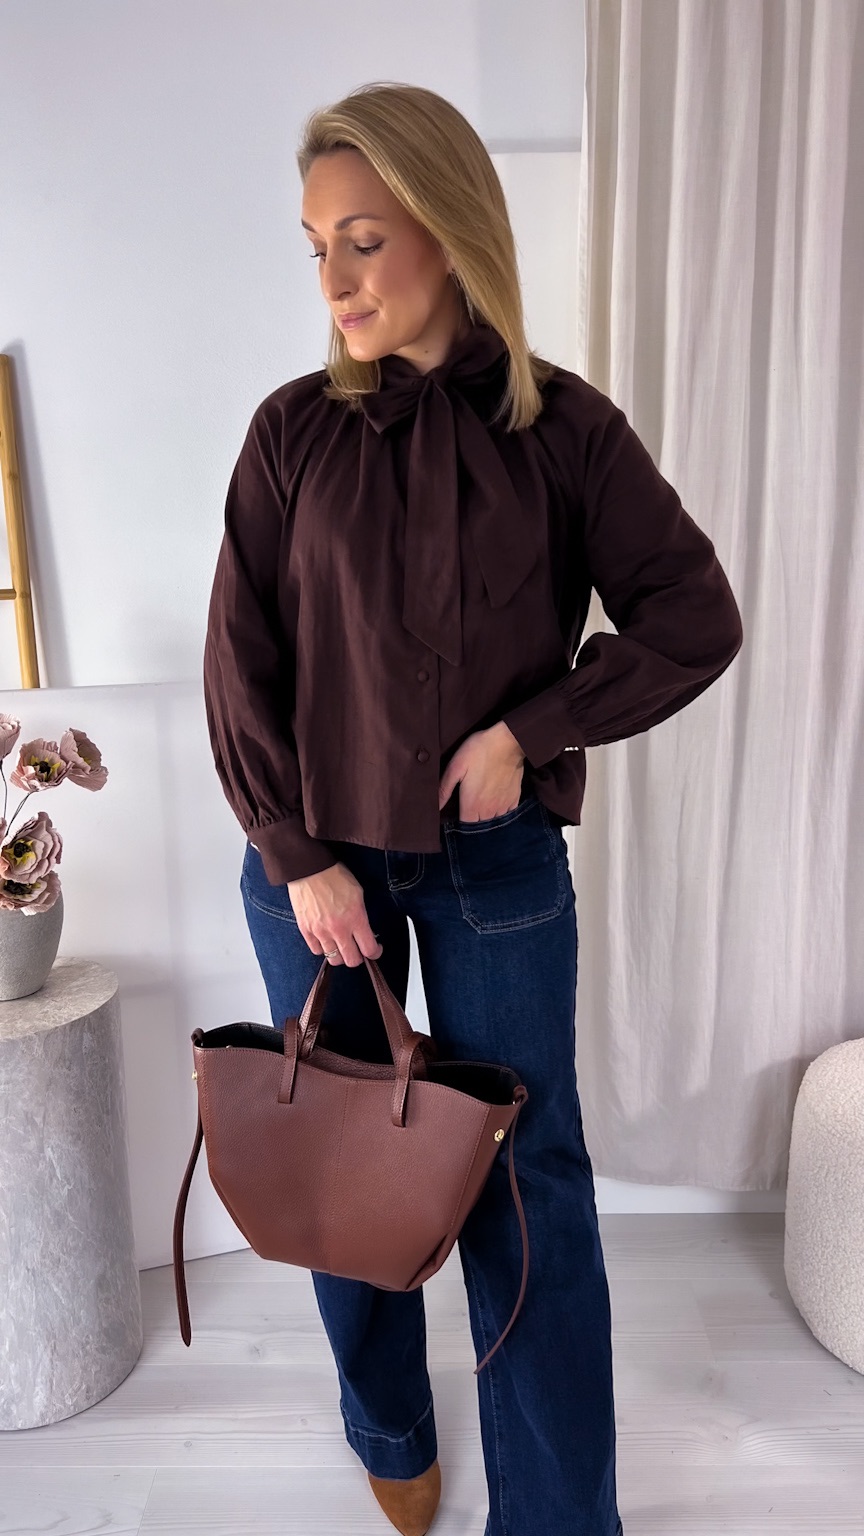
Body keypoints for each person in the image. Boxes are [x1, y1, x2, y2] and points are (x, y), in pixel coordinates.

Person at [202, 81, 743, 1536]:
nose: (334, 278)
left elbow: (694, 616)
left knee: (527, 1183)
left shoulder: (566, 432)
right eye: (316, 245)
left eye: (365, 239)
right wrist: (296, 854)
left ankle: (559, 1516)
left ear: (448, 228)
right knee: (336, 1160)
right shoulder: (289, 435)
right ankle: (388, 1423)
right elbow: (240, 658)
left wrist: (532, 729)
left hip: (495, 868)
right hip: (315, 869)